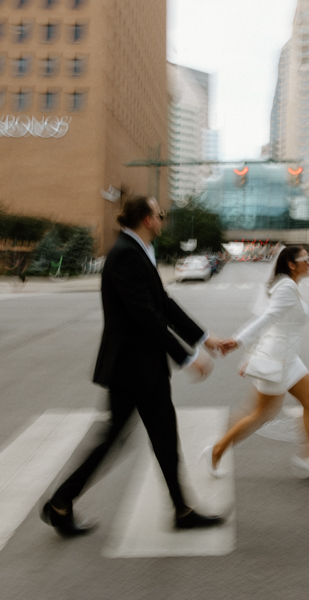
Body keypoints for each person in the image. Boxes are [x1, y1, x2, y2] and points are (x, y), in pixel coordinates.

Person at [41, 195, 226, 537]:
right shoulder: (126, 255)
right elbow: (146, 317)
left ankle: (179, 510)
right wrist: (186, 356)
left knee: (160, 436)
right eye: (159, 214)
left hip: (143, 366)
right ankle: (60, 502)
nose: (163, 218)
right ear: (146, 219)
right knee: (123, 438)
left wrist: (204, 338)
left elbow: (163, 304)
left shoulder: (136, 251)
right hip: (132, 367)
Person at [202, 245, 309, 480]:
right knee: (261, 414)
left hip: (288, 358)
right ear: (291, 264)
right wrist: (237, 342)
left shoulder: (289, 286)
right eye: (305, 259)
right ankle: (216, 451)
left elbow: (272, 323)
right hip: (276, 360)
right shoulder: (286, 287)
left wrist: (249, 354)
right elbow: (267, 319)